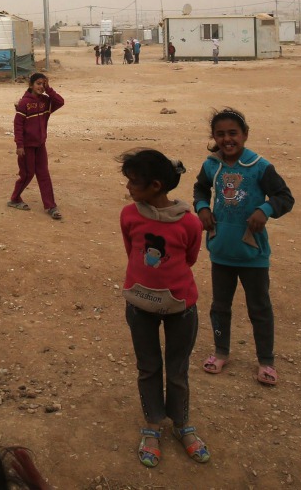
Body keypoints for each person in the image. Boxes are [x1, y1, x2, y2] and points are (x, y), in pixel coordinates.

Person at [119, 149, 210, 468]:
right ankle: (153, 425)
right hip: (139, 305)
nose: (128, 188)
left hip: (180, 307)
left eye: (133, 182)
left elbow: (189, 259)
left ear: (155, 185)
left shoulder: (189, 222)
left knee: (178, 368)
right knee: (148, 366)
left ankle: (182, 425)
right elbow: (132, 249)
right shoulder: (129, 215)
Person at [193, 107, 295, 386]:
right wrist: (202, 208)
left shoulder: (260, 166)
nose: (227, 139)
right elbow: (200, 189)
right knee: (220, 306)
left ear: (245, 135)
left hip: (252, 254)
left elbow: (284, 197)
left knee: (259, 308)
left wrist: (265, 209)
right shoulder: (211, 165)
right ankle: (220, 352)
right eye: (221, 134)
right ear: (214, 136)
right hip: (221, 250)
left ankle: (266, 361)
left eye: (233, 133)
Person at [7, 72, 64, 220]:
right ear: (31, 85)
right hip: (26, 147)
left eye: (43, 84)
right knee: (27, 174)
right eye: (38, 83)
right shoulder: (24, 103)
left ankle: (51, 206)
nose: (41, 87)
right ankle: (15, 198)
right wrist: (19, 145)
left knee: (44, 174)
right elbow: (18, 125)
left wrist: (49, 89)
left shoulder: (46, 101)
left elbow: (60, 101)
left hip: (40, 145)